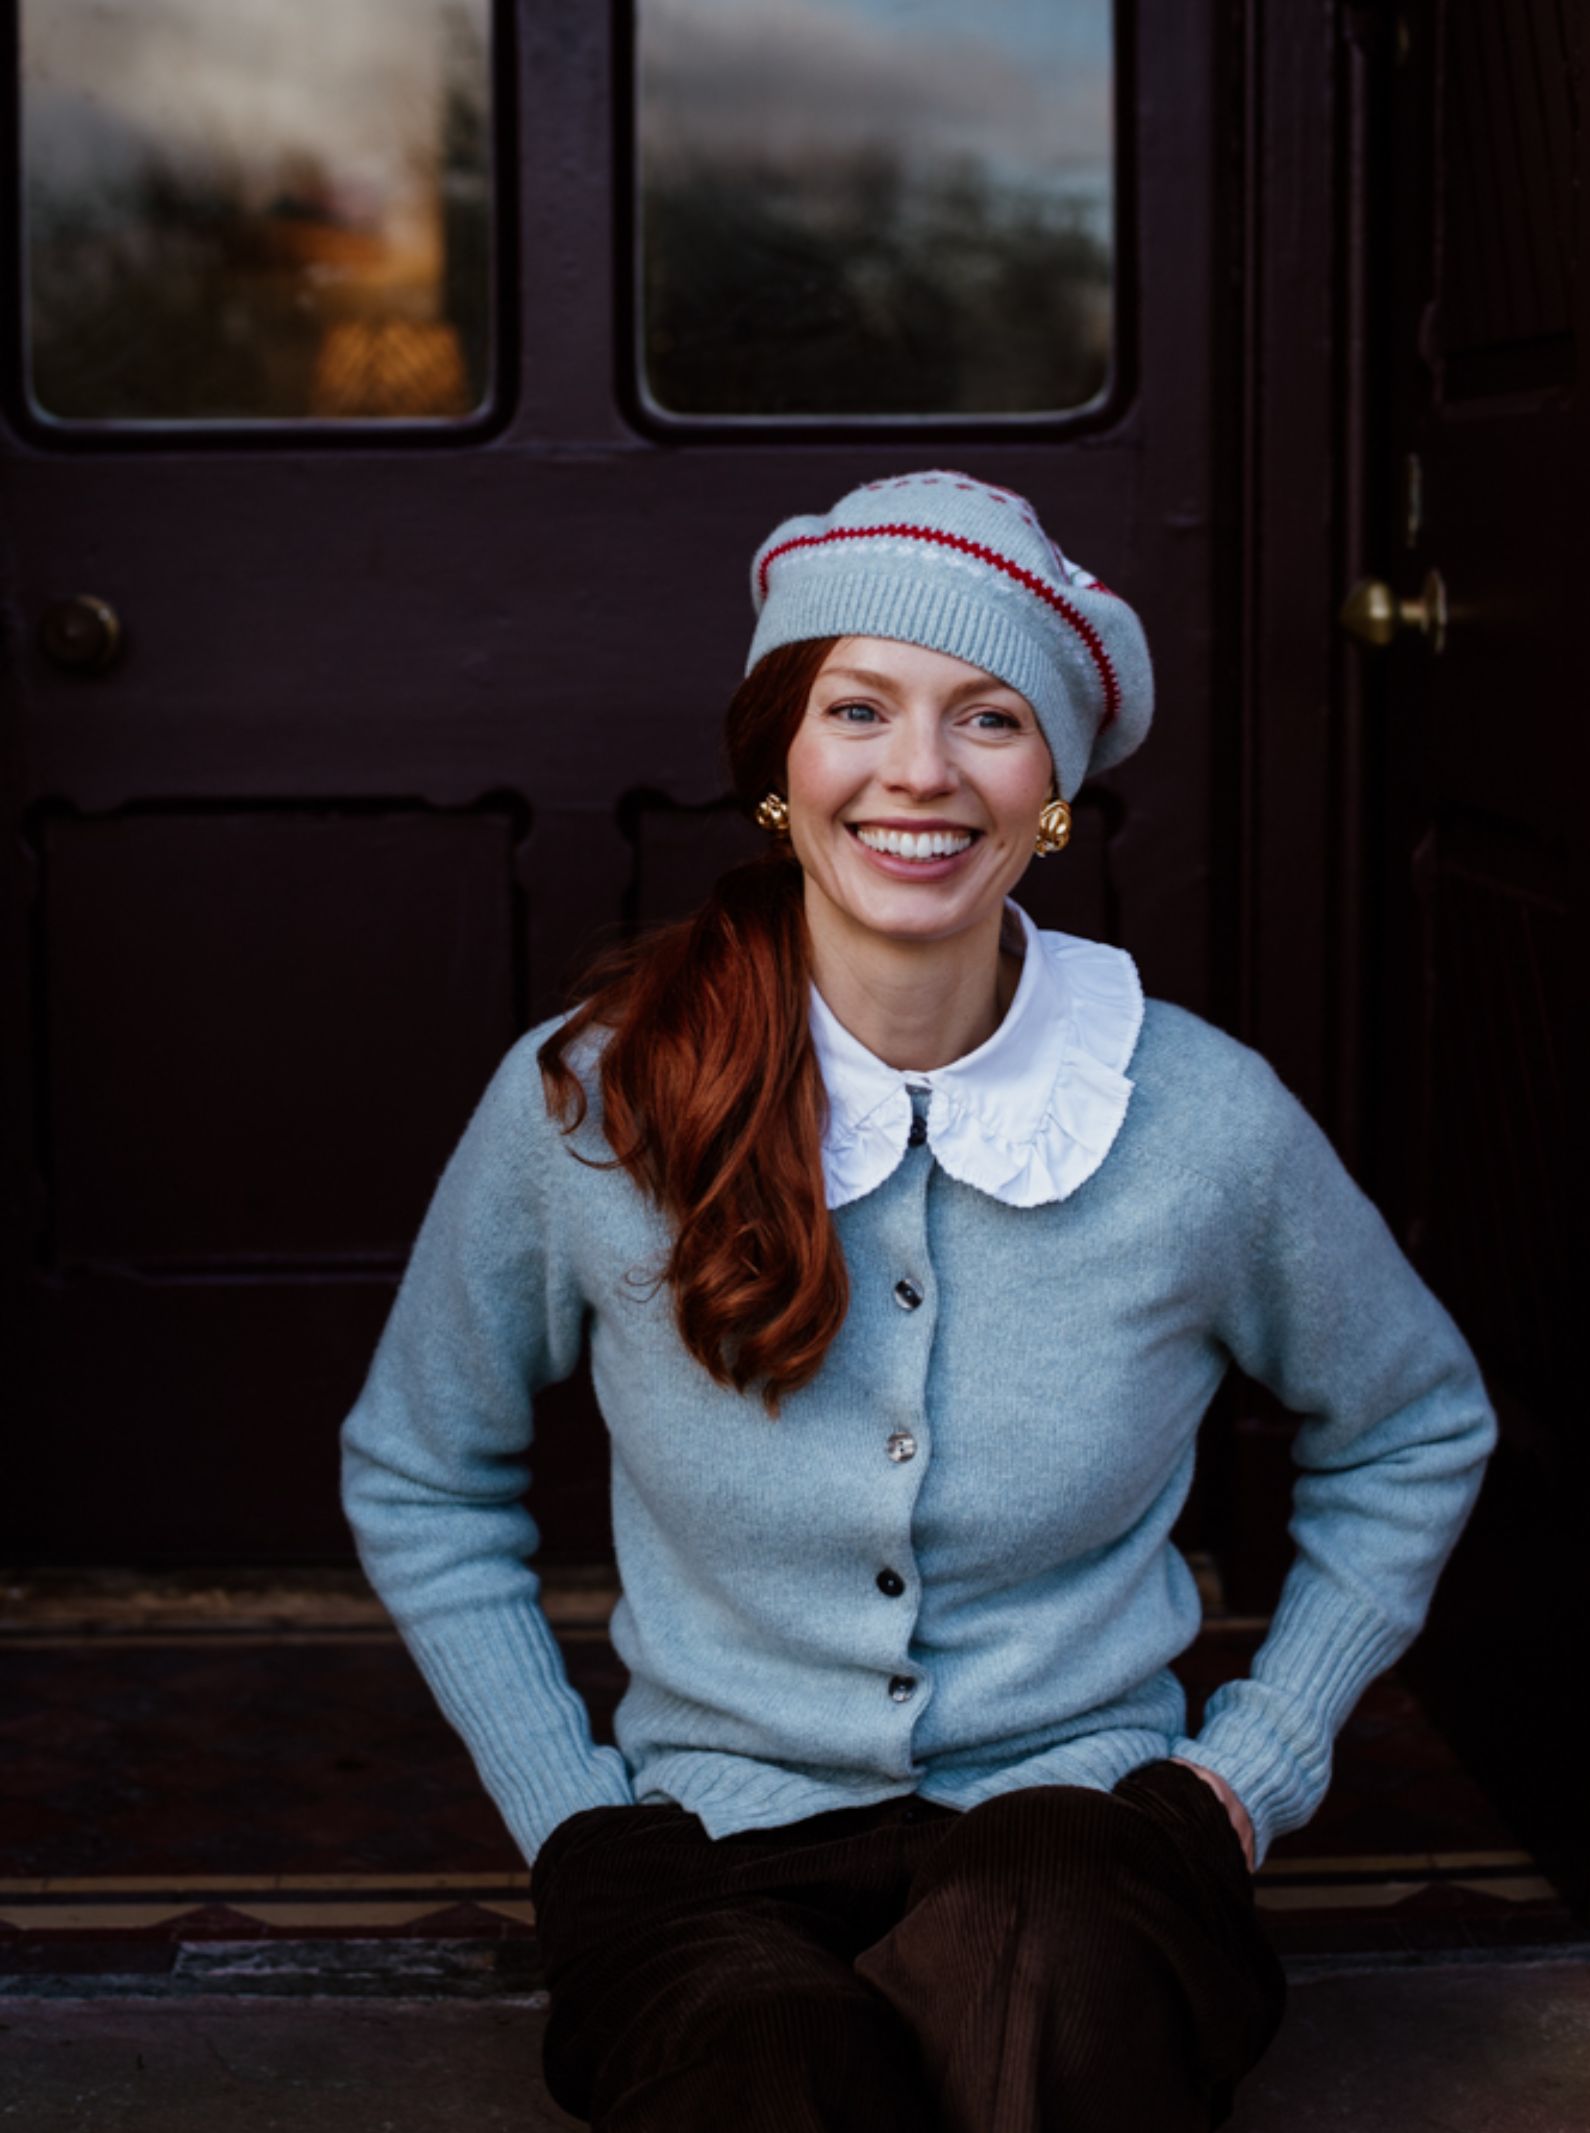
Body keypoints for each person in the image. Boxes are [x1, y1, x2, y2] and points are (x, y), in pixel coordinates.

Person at [340, 469, 1496, 2131]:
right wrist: (568, 1813)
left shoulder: (1198, 1119)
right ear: (781, 762)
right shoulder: (596, 1101)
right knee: (766, 2066)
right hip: (707, 1848)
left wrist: (1247, 1774)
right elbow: (420, 1467)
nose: (920, 771)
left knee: (1047, 1966)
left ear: (1053, 792)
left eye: (990, 717)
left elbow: (1413, 1425)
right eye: (858, 706)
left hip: (1086, 1840)